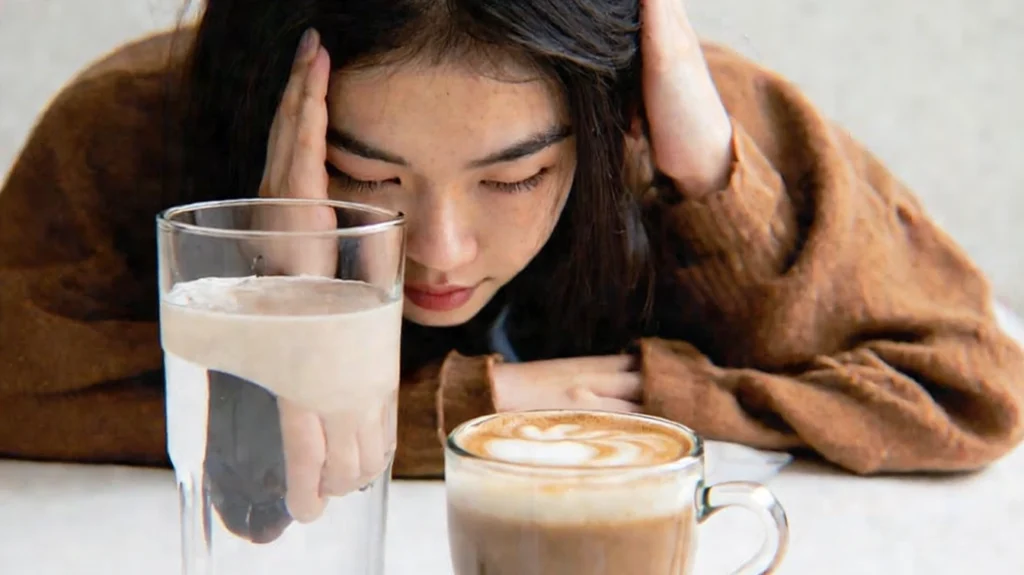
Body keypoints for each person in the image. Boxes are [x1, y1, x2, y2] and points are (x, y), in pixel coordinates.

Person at [2, 0, 1024, 537]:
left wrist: (711, 193)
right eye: (367, 174)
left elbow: (969, 391)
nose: (442, 248)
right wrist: (303, 312)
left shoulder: (672, 119)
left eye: (516, 176)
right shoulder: (134, 126)